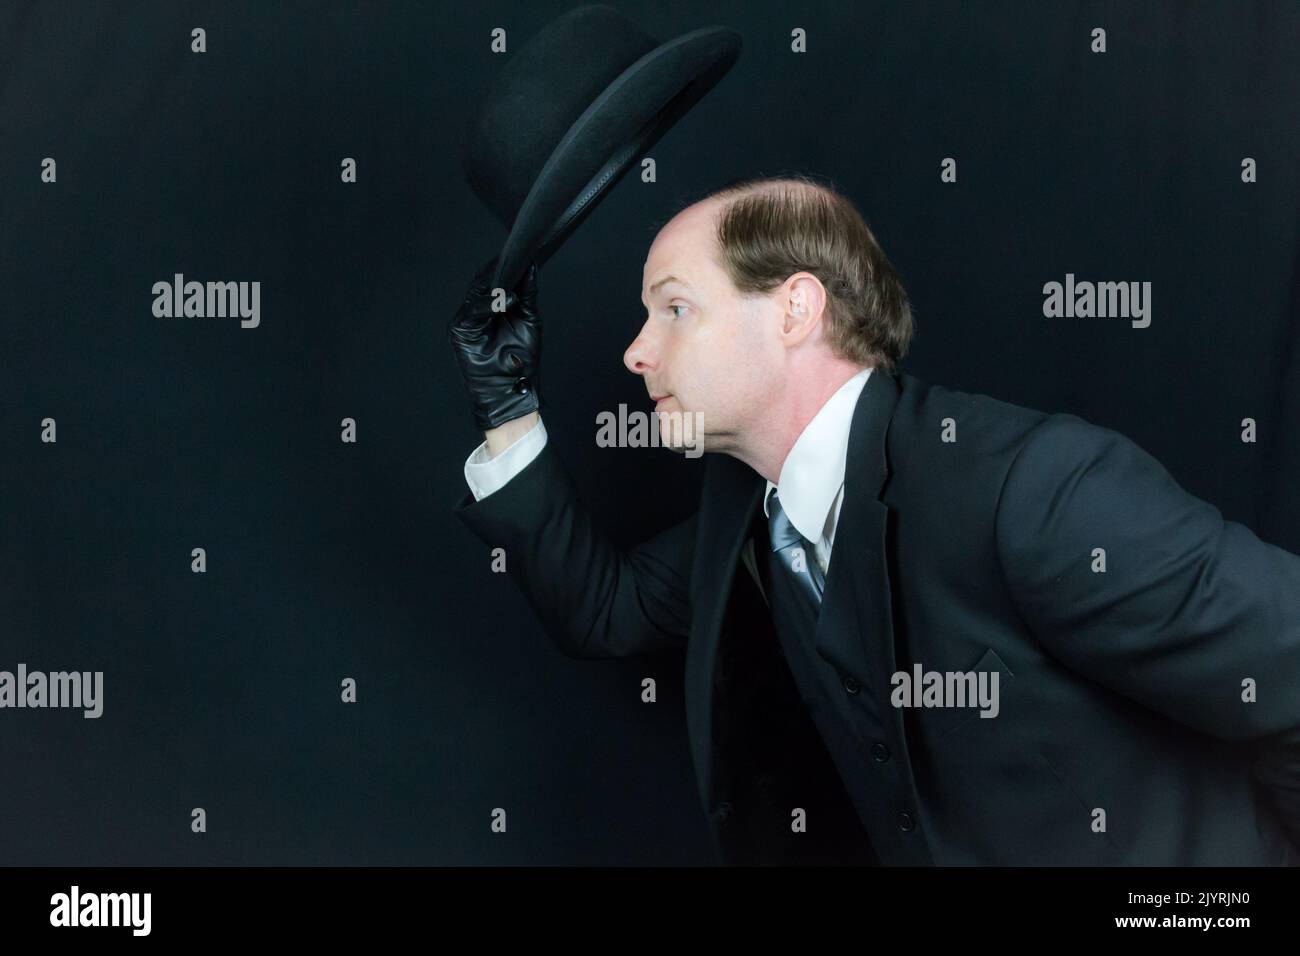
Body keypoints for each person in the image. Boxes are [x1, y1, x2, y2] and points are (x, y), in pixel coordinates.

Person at [447, 173, 1300, 866]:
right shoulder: (746, 512)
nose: (635, 351)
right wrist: (507, 405)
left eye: (674, 308)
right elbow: (605, 612)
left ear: (794, 308)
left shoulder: (1033, 487)